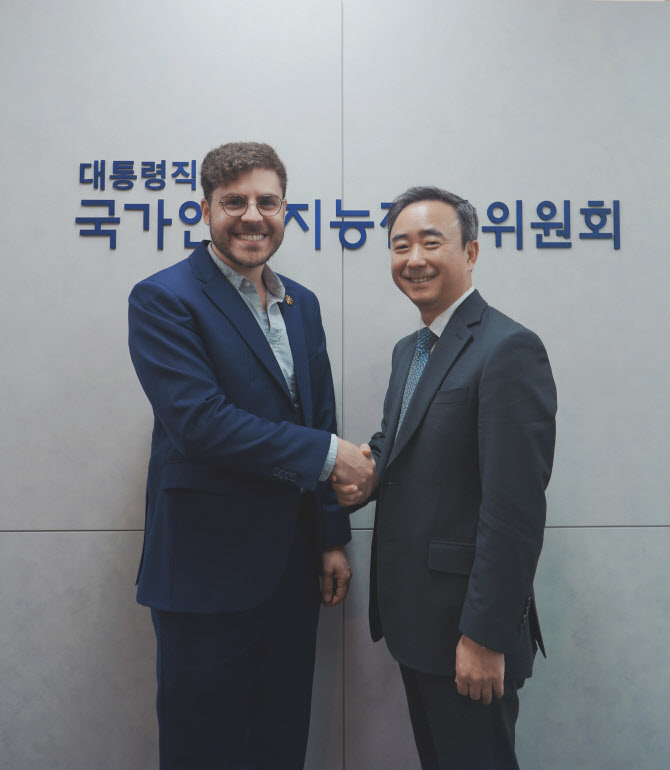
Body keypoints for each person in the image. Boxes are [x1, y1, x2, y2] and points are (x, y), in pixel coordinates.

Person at [128, 141, 375, 770]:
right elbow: (201, 424)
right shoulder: (163, 298)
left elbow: (319, 415)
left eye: (267, 201)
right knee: (203, 750)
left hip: (292, 571)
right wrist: (329, 455)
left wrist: (330, 536)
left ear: (285, 210)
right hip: (205, 574)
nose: (252, 216)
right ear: (205, 211)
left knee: (280, 742)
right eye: (234, 202)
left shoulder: (301, 302)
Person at [331, 186, 557, 769]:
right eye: (400, 245)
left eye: (431, 243)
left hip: (467, 630)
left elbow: (515, 510)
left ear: (471, 252)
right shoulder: (410, 350)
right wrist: (366, 473)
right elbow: (399, 441)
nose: (414, 259)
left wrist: (485, 636)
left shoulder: (508, 348)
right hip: (418, 623)